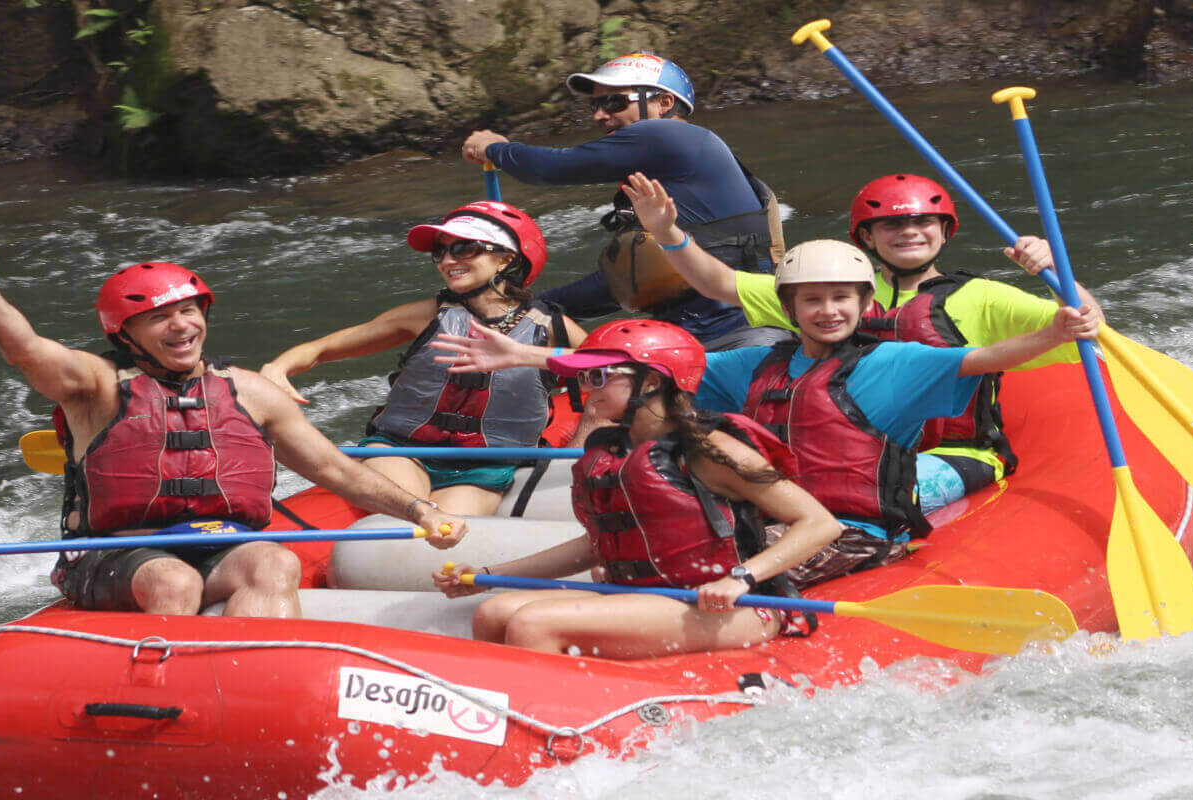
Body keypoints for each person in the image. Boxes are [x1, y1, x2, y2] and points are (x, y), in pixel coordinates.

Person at [432, 239, 1098, 580]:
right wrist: (529, 359)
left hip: (854, 532)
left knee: (708, 568)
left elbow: (986, 360)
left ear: (865, 305)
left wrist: (1058, 331)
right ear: (789, 307)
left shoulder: (898, 364)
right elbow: (649, 369)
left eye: (843, 298)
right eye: (812, 300)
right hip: (768, 523)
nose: (829, 310)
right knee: (650, 554)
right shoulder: (759, 365)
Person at [0, 225, 464, 619]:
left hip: (222, 542)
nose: (181, 325)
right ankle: (161, 694)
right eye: (159, 317)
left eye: (191, 311)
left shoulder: (250, 391)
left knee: (274, 563)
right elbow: (25, 349)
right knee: (174, 582)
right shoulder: (95, 385)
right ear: (125, 334)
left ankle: (250, 686)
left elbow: (335, 470)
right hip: (116, 554)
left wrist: (419, 511)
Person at [622, 171, 1103, 504]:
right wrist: (667, 232)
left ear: (944, 231)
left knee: (865, 492)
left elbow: (1088, 326)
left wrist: (1056, 269)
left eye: (922, 222)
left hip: (949, 454)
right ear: (866, 238)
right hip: (838, 450)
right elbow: (719, 284)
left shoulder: (983, 297)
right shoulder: (833, 289)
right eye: (891, 224)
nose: (908, 232)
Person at [431, 319, 841, 657]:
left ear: (651, 383)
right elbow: (599, 545)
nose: (590, 388)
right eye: (587, 376)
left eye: (602, 376)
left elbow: (818, 523)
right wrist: (490, 576)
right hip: (642, 595)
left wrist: (742, 577)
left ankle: (544, 736)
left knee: (532, 623)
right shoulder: (617, 449)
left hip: (731, 605)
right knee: (493, 612)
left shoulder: (708, 448)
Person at [258, 202, 588, 516]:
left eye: (463, 248)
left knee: (448, 532)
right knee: (411, 519)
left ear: (505, 260)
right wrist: (278, 366)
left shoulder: (552, 327)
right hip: (402, 450)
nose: (447, 260)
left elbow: (623, 368)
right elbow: (320, 350)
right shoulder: (424, 316)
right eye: (440, 252)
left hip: (486, 466)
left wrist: (525, 354)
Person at [459, 53, 786, 351]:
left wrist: (495, 148)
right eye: (595, 106)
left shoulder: (669, 135)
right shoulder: (669, 173)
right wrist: (539, 307)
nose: (600, 115)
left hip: (738, 337)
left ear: (664, 103)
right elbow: (632, 278)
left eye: (615, 102)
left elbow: (551, 167)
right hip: (701, 332)